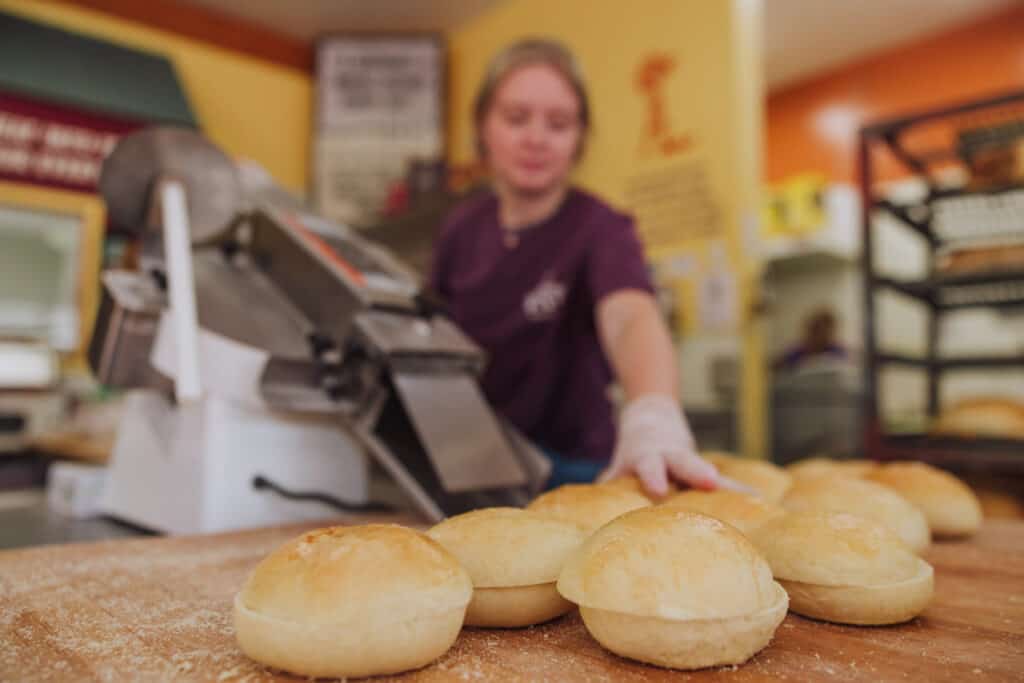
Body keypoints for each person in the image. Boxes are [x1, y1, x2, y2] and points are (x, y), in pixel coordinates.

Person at [430, 39, 723, 497]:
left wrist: (653, 413)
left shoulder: (599, 227)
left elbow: (630, 316)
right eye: (515, 118)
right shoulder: (460, 229)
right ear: (483, 126)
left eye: (559, 123)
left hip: (578, 468)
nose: (536, 138)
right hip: (478, 464)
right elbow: (431, 334)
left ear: (579, 139)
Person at [776, 309, 849, 371]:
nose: (821, 335)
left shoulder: (838, 352)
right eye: (817, 330)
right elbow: (777, 366)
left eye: (826, 331)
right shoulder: (797, 352)